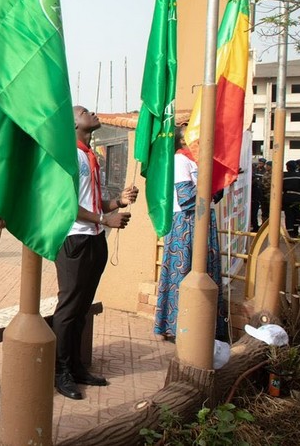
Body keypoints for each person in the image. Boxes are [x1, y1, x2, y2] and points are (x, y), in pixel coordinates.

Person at [53, 106, 138, 401]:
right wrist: (104, 219)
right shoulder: (69, 156)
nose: (92, 113)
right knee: (69, 308)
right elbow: (65, 204)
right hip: (74, 239)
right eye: (84, 111)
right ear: (73, 124)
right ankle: (60, 371)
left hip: (94, 238)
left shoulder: (90, 156)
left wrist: (117, 203)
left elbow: (92, 201)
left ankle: (76, 366)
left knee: (82, 308)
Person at [153, 125, 228, 343]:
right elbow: (186, 197)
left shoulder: (200, 162)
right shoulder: (180, 160)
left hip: (204, 221)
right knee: (183, 272)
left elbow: (215, 196)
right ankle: (176, 326)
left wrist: (222, 178)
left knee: (207, 270)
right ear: (182, 140)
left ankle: (206, 326)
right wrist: (211, 183)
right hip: (185, 224)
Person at [282, 160, 300, 238]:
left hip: (287, 198)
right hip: (299, 198)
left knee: (289, 216)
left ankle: (291, 234)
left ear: (287, 167)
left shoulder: (283, 176)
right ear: (296, 167)